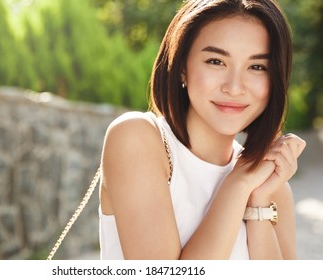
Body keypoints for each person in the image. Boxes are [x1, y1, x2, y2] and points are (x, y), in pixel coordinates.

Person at [98, 0, 306, 260]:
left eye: (257, 67)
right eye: (216, 61)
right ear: (182, 67)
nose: (234, 87)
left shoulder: (273, 188)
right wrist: (237, 185)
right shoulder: (138, 139)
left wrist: (258, 202)